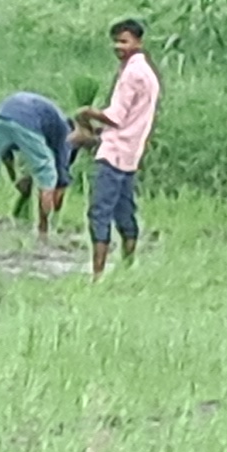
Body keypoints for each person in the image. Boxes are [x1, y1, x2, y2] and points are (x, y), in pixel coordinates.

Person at [75, 19, 161, 277]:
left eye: (124, 41)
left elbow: (117, 116)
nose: (118, 47)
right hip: (131, 153)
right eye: (116, 41)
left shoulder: (131, 75)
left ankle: (97, 274)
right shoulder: (148, 73)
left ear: (138, 42)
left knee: (99, 212)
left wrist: (88, 113)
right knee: (125, 211)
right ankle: (128, 264)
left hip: (114, 152)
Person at [0, 90, 82, 239]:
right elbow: (60, 178)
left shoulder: (52, 121)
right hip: (26, 121)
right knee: (48, 175)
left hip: (1, 116)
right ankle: (43, 231)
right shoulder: (65, 133)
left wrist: (15, 178)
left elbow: (5, 152)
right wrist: (56, 209)